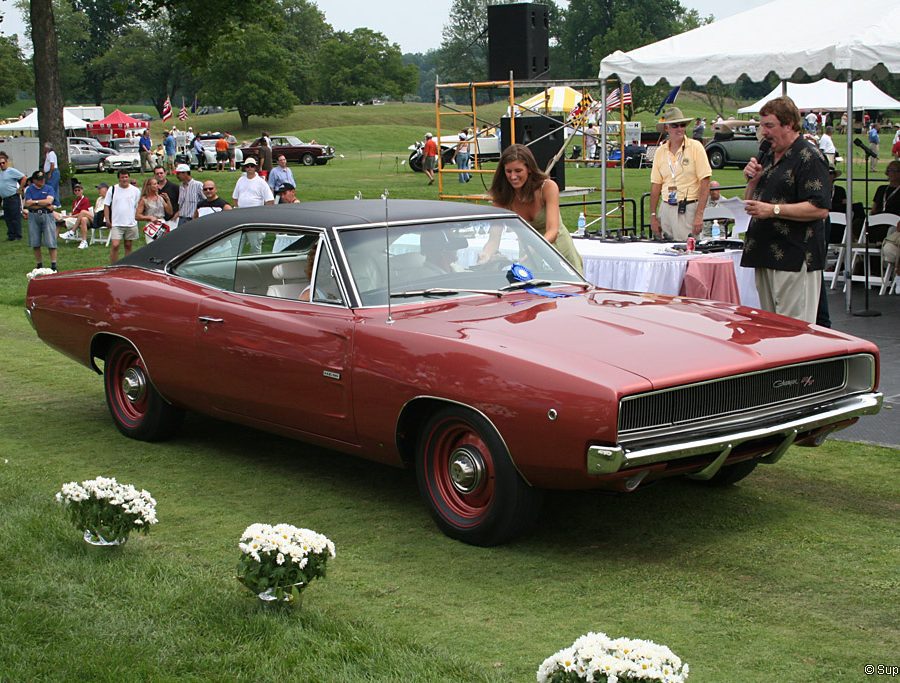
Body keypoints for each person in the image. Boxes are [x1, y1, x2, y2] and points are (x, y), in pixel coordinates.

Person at [741, 96, 830, 324]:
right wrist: (753, 181)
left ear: (789, 124)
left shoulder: (808, 157)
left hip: (794, 255)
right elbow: (750, 203)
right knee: (772, 328)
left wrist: (773, 211)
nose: (764, 132)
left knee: (794, 330)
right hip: (764, 253)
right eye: (762, 126)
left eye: (769, 126)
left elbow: (819, 208)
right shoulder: (769, 156)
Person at [483, 143, 583, 273]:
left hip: (557, 249)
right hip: (527, 253)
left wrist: (535, 249)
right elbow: (494, 238)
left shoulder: (547, 187)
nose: (513, 176)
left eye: (518, 171)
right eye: (508, 171)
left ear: (529, 169)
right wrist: (485, 255)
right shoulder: (502, 197)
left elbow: (553, 231)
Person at [649, 106, 712, 242]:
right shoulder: (660, 151)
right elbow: (655, 185)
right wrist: (653, 215)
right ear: (667, 128)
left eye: (682, 125)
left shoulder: (696, 147)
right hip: (665, 208)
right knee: (663, 249)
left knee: (686, 251)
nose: (679, 129)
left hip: (687, 208)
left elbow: (705, 182)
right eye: (675, 125)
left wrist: (699, 215)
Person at [104, 170, 141, 263]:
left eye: (126, 177)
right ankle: (113, 265)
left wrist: (137, 219)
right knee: (115, 245)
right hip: (116, 223)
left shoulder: (135, 191)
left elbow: (138, 206)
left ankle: (126, 265)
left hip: (131, 222)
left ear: (129, 177)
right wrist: (107, 219)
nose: (124, 179)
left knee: (128, 245)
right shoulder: (112, 189)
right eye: (122, 177)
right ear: (119, 178)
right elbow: (106, 205)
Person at [23, 171, 58, 271]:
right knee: (35, 241)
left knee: (51, 241)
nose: (42, 181)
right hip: (34, 215)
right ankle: (39, 264)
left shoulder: (49, 188)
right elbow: (27, 204)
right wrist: (42, 203)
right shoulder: (29, 189)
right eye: (39, 179)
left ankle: (54, 264)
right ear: (34, 180)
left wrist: (35, 202)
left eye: (43, 179)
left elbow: (49, 201)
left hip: (47, 215)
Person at [0, 151, 26, 241]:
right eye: (0, 163)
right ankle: (11, 235)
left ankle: (17, 235)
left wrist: (20, 189)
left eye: (3, 163)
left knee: (15, 217)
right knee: (8, 218)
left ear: (6, 162)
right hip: (5, 198)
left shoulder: (11, 171)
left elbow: (23, 177)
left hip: (13, 197)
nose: (2, 165)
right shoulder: (1, 173)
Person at [58, 183, 93, 249]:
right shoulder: (75, 201)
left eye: (78, 190)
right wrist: (70, 215)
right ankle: (54, 241)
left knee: (61, 221)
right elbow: (74, 212)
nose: (77, 192)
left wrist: (71, 217)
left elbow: (83, 213)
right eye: (75, 190)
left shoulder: (85, 200)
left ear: (82, 190)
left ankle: (71, 232)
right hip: (75, 218)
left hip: (82, 219)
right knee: (57, 217)